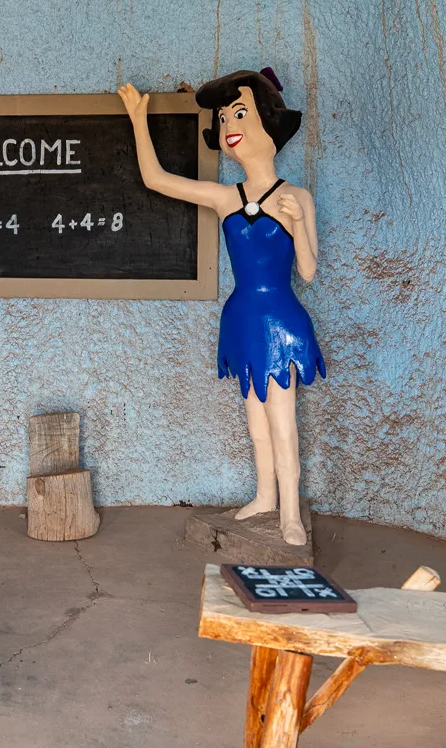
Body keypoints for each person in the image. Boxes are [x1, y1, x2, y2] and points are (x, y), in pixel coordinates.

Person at [120, 69, 324, 546]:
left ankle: (290, 512)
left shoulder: (297, 197)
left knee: (282, 420)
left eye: (239, 111)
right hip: (243, 318)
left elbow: (310, 271)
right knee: (255, 421)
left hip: (281, 320)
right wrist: (137, 121)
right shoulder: (225, 198)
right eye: (224, 115)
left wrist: (297, 227)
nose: (229, 122)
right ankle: (265, 497)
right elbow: (156, 180)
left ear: (269, 126)